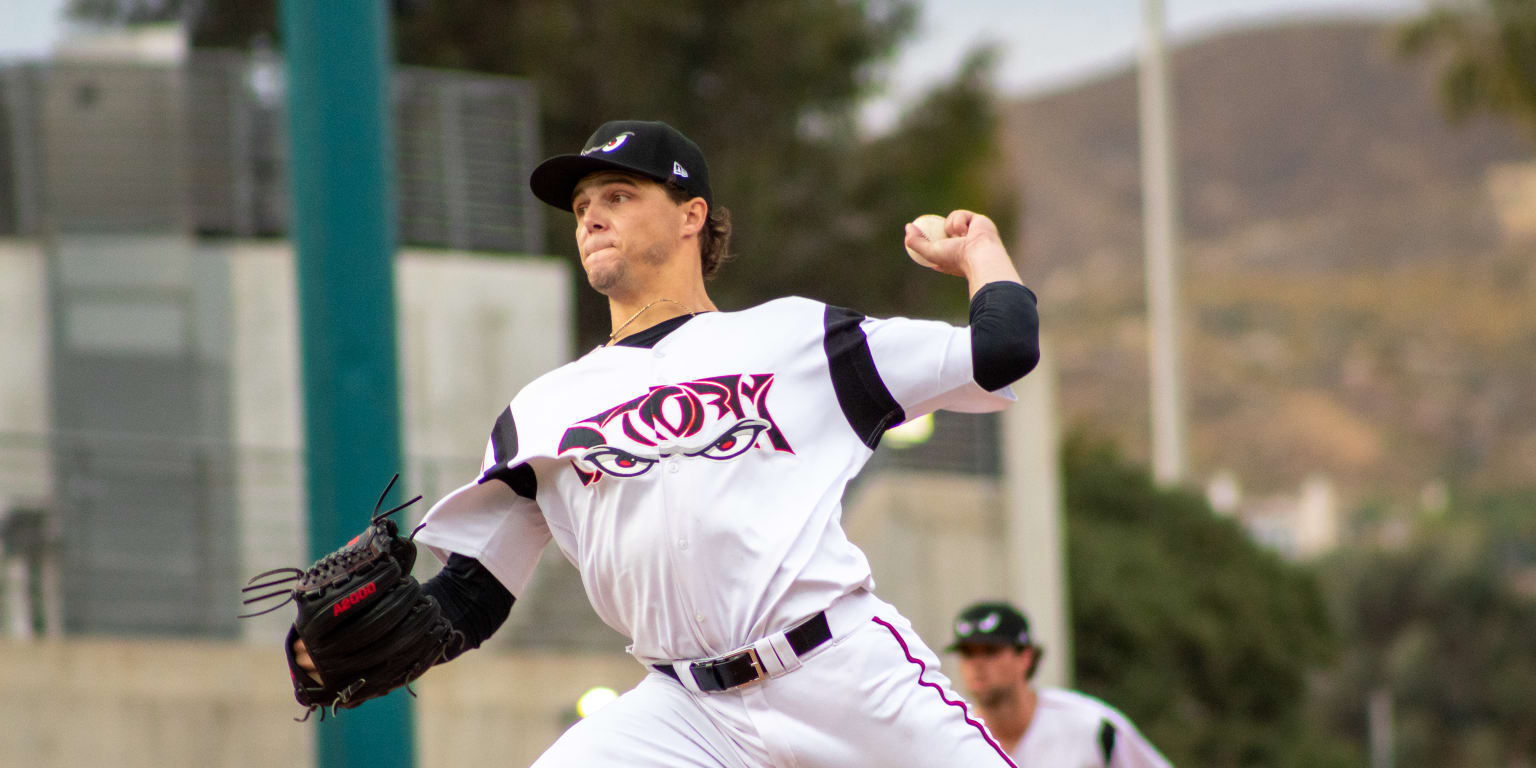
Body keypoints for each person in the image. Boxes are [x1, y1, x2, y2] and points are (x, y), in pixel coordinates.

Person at [294, 119, 1041, 766]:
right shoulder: (542, 409)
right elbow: (473, 593)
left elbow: (1003, 349)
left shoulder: (796, 336)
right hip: (686, 712)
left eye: (618, 196)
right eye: (583, 206)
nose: (591, 216)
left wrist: (979, 253)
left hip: (840, 672)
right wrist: (356, 642)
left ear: (692, 216)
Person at [948, 601, 1174, 768]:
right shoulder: (951, 739)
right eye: (967, 653)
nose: (976, 664)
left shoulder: (1092, 726)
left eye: (991, 651)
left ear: (1025, 657)